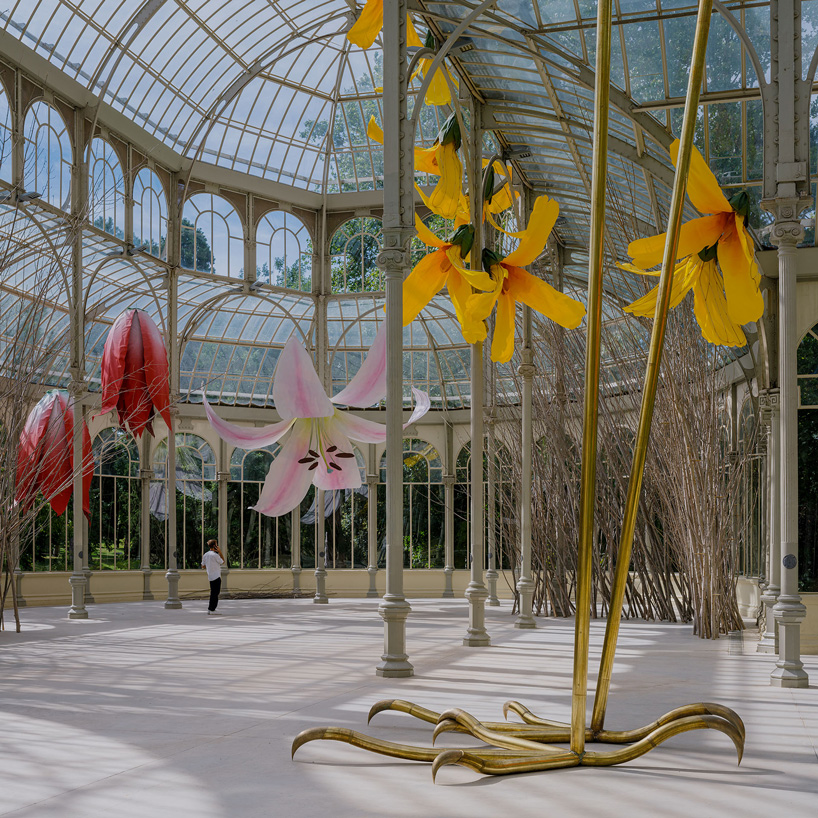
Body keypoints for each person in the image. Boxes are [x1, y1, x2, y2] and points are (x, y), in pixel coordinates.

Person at [201, 539, 225, 615]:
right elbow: (223, 561)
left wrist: (209, 565)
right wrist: (220, 552)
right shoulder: (215, 555)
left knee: (213, 592)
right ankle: (212, 609)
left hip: (210, 576)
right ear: (215, 546)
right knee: (215, 593)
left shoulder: (205, 554)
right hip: (216, 576)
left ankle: (211, 608)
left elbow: (203, 566)